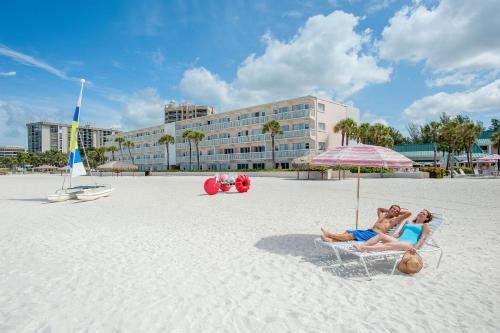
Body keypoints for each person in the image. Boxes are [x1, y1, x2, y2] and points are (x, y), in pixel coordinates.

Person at [352, 209, 433, 252]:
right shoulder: (408, 222)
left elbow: (423, 238)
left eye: (424, 213)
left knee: (388, 245)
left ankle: (363, 248)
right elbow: (399, 234)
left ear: (427, 218)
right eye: (421, 212)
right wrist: (387, 237)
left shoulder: (424, 225)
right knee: (381, 235)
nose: (421, 213)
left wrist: (415, 248)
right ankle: (362, 246)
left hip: (409, 244)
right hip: (398, 240)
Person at [320, 205, 410, 242]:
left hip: (375, 235)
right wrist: (390, 210)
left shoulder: (393, 220)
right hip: (368, 231)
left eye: (396, 211)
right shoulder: (382, 216)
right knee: (348, 231)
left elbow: (408, 213)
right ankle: (332, 241)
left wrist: (397, 213)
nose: (394, 211)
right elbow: (379, 209)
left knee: (352, 235)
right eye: (393, 209)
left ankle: (330, 235)